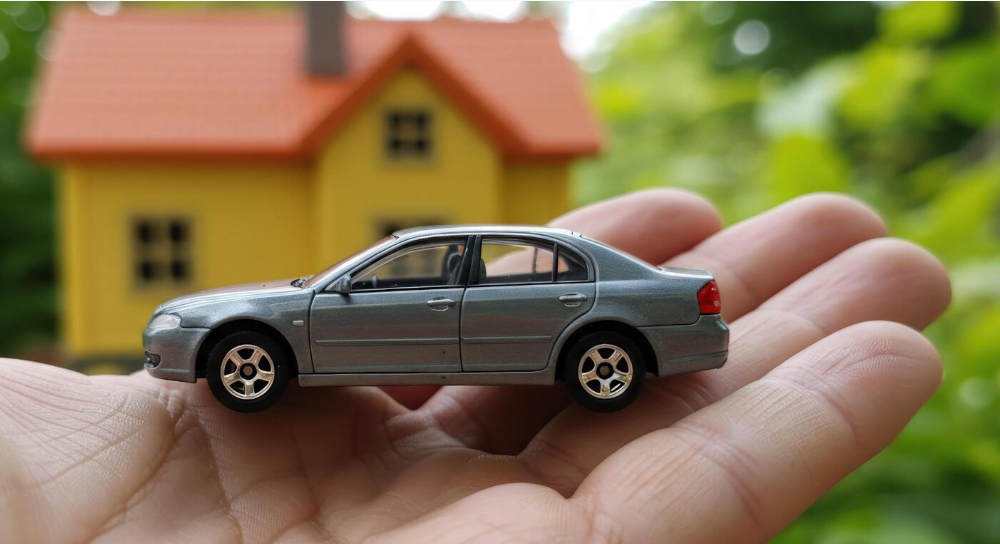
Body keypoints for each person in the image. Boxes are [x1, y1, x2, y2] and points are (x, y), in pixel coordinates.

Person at [0, 190, 950, 544]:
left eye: (247, 367)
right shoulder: (283, 310)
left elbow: (357, 287)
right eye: (247, 370)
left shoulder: (600, 296)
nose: (248, 369)